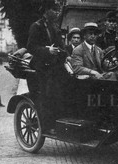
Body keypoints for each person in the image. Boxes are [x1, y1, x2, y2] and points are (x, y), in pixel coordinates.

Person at [26, 0, 68, 135]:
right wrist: (47, 50)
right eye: (53, 10)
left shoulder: (54, 27)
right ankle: (47, 127)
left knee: (65, 92)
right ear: (46, 11)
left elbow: (61, 46)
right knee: (47, 96)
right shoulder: (36, 26)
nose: (56, 12)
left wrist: (66, 54)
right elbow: (31, 47)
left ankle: (62, 122)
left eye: (57, 10)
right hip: (41, 69)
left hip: (55, 67)